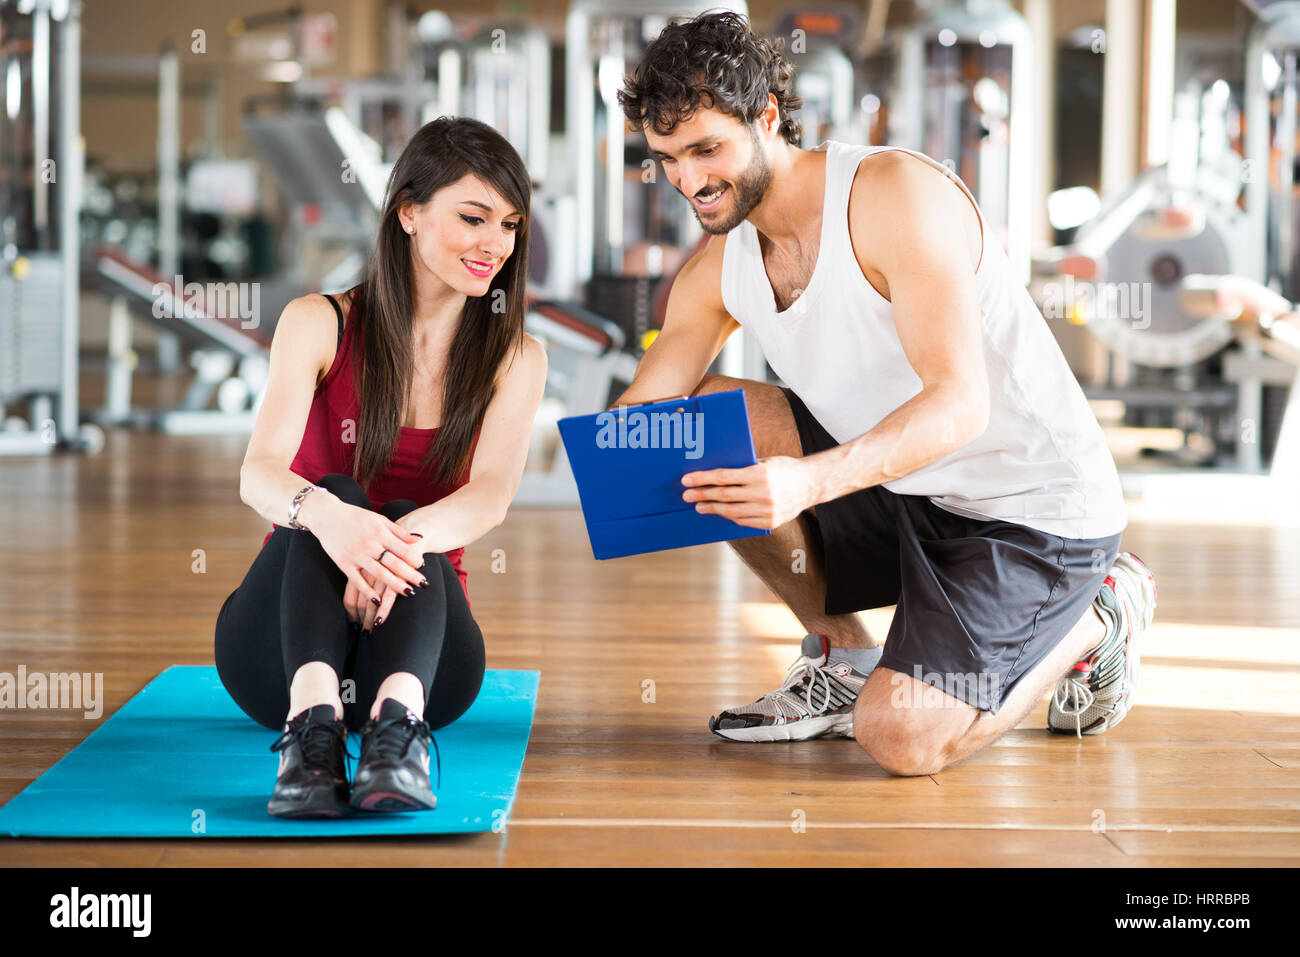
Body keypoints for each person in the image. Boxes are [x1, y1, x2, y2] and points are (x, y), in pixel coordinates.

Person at [613, 13, 1157, 775]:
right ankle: (843, 660)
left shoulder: (892, 196)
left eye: (707, 149)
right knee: (690, 427)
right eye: (666, 158)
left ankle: (1100, 613)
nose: (688, 180)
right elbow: (642, 415)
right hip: (906, 489)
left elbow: (960, 404)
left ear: (766, 116)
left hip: (1031, 513)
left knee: (901, 737)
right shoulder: (719, 267)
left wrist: (804, 480)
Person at [214, 116, 547, 817]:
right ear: (409, 212)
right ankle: (312, 736)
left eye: (510, 224)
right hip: (279, 652)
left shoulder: (516, 357)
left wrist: (388, 547)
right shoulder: (318, 323)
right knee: (333, 494)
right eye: (473, 216)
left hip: (429, 664)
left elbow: (489, 497)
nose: (495, 243)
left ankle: (398, 739)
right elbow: (259, 474)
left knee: (398, 517)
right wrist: (334, 522)